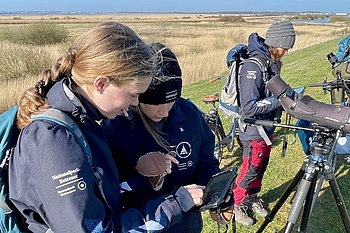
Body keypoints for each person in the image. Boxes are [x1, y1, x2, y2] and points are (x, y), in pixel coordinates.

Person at [8, 22, 205, 233]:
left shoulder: (84, 123)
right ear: (101, 84)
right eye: (132, 94)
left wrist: (146, 178)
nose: (136, 103)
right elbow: (97, 229)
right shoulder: (55, 140)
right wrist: (175, 203)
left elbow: (105, 196)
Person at [105, 42, 226, 232]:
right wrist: (150, 179)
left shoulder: (190, 113)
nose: (165, 112)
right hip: (145, 223)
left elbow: (206, 163)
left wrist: (216, 195)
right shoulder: (116, 125)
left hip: (188, 223)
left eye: (171, 102)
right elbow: (111, 190)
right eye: (156, 104)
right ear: (138, 96)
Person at [233, 20, 296, 226]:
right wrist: (279, 100)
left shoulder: (272, 63)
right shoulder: (253, 66)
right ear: (273, 44)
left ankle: (252, 197)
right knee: (250, 168)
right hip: (253, 129)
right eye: (283, 48)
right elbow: (249, 107)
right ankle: (238, 203)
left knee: (261, 167)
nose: (285, 52)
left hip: (267, 127)